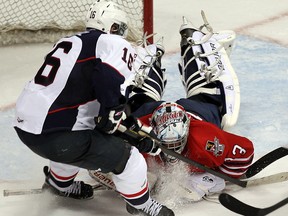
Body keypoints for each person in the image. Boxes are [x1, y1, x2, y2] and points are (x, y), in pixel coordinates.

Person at [13, 0, 174, 215]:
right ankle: (142, 205)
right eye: (121, 29)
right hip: (59, 138)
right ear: (114, 27)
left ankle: (59, 184)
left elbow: (89, 97)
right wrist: (126, 129)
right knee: (130, 159)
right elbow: (108, 86)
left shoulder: (68, 41)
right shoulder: (113, 43)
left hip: (27, 129)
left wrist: (125, 124)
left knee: (77, 133)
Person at [120, 14, 255, 201]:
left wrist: (215, 178)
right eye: (168, 146)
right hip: (150, 114)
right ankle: (145, 66)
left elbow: (245, 152)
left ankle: (197, 46)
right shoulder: (140, 134)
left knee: (210, 99)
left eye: (176, 145)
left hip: (195, 112)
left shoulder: (205, 139)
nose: (173, 153)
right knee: (137, 101)